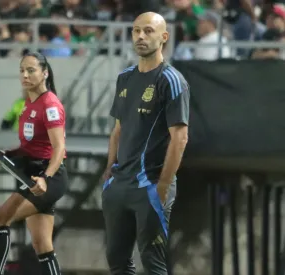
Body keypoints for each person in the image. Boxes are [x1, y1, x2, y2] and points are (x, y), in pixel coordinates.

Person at [101, 12, 190, 275]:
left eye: (148, 31)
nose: (140, 36)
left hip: (150, 185)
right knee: (117, 261)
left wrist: (163, 185)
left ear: (164, 37)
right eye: (136, 30)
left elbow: (180, 138)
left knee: (153, 263)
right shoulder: (125, 78)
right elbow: (118, 130)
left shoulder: (171, 80)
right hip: (119, 184)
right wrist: (109, 169)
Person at [0, 52, 68, 275]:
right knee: (42, 245)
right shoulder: (26, 103)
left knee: (0, 218)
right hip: (31, 175)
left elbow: (59, 148)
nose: (25, 75)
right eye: (22, 70)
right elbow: (28, 148)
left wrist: (45, 178)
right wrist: (7, 154)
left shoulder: (50, 104)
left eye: (31, 70)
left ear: (44, 73)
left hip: (46, 178)